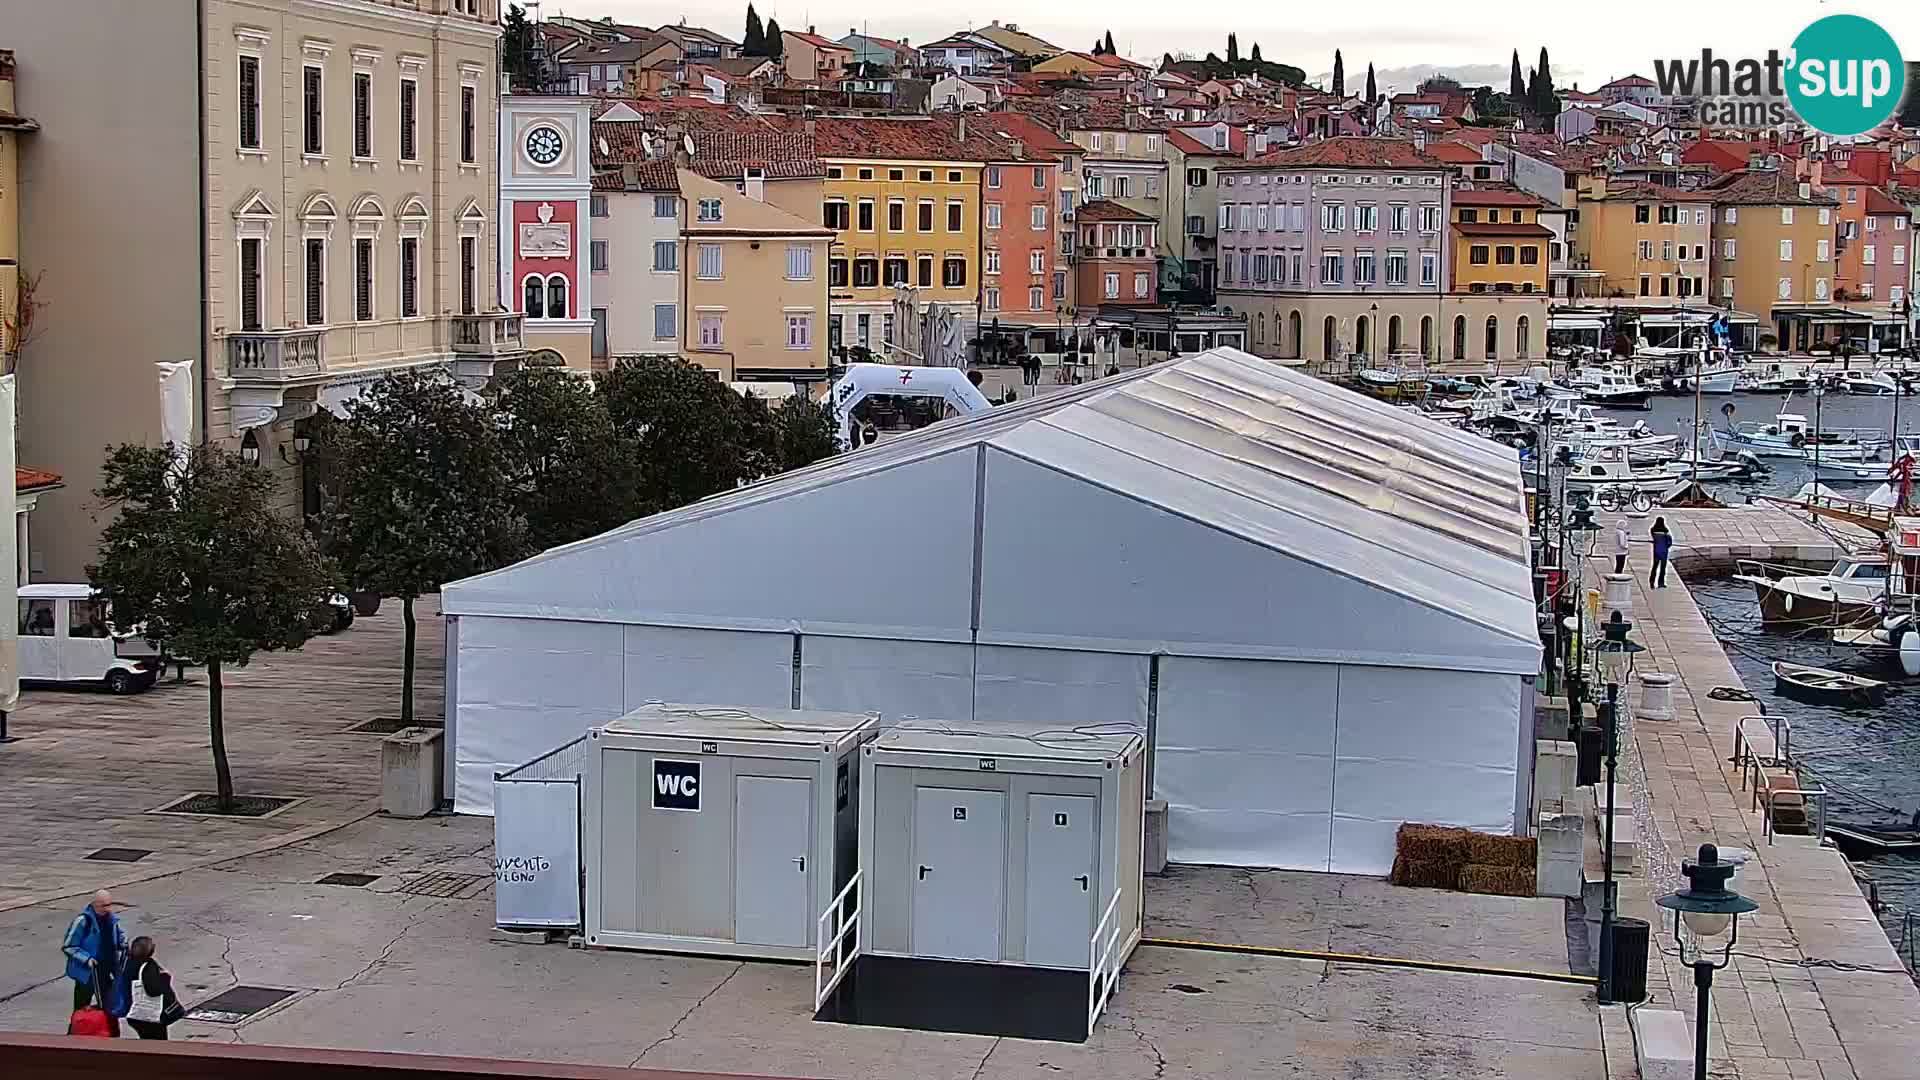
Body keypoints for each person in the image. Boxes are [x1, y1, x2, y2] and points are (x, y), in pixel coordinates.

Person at [61, 890, 126, 1035]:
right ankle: (75, 1035)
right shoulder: (83, 921)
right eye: (104, 906)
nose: (108, 909)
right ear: (95, 905)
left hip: (106, 971)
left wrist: (123, 944)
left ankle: (110, 1034)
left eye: (109, 905)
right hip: (87, 974)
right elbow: (69, 946)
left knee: (109, 1007)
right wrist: (87, 959)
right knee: (81, 1009)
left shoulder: (112, 919)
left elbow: (119, 937)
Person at [119, 937, 181, 1039]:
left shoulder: (129, 963)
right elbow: (153, 990)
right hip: (150, 1016)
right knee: (159, 1044)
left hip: (135, 1015)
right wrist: (165, 979)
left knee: (145, 1040)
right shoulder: (148, 966)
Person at [1649, 517, 1673, 589]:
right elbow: (1669, 542)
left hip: (1656, 551)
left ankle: (1652, 582)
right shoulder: (1666, 532)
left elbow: (1653, 539)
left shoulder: (1653, 530)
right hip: (1664, 552)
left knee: (1654, 567)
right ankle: (1661, 583)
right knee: (1663, 568)